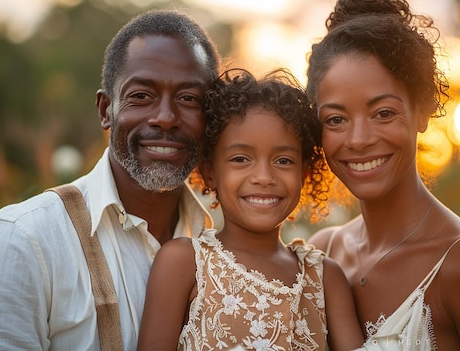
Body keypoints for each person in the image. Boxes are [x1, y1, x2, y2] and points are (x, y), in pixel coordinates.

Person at [0, 9, 221, 350]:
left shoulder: (225, 246)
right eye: (141, 96)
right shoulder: (21, 241)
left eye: (189, 99)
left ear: (212, 119)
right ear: (106, 110)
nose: (165, 118)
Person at [306, 0, 460, 350]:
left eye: (383, 113)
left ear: (423, 111)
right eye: (335, 119)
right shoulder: (323, 251)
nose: (358, 139)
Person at [137, 68, 365, 350]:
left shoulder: (325, 279)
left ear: (304, 175)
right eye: (241, 158)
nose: (264, 177)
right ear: (209, 173)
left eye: (283, 161)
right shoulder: (184, 263)